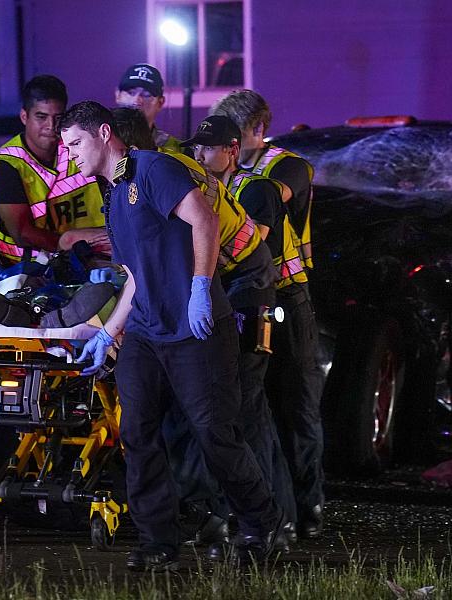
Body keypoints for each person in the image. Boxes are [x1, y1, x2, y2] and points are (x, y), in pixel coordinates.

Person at [60, 101, 283, 571]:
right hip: (146, 330)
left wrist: (201, 287)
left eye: (76, 143)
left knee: (214, 434)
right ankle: (158, 540)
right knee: (137, 433)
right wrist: (111, 331)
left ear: (104, 134)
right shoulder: (114, 194)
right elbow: (136, 276)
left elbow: (203, 220)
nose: (70, 156)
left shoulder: (151, 168)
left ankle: (262, 526)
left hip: (194, 327)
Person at [113, 107, 297, 546]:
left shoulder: (165, 172)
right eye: (196, 144)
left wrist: (197, 293)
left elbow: (205, 227)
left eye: (209, 145)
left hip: (247, 284)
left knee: (234, 418)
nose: (199, 151)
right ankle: (213, 518)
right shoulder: (136, 181)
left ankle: (273, 522)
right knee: (204, 421)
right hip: (220, 283)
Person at [211, 89, 326, 539]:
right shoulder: (224, 169)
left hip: (289, 299)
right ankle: (269, 509)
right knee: (252, 406)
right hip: (248, 298)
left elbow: (265, 204)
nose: (229, 144)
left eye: (235, 135)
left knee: (297, 404)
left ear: (257, 128)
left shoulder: (287, 166)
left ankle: (308, 503)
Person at [0, 75, 107, 265]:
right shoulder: (7, 164)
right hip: (22, 270)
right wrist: (69, 242)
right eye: (41, 117)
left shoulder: (78, 148)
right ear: (24, 116)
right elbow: (22, 233)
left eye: (58, 118)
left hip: (92, 259)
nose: (50, 126)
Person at [115, 63, 182, 152]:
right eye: (131, 93)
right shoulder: (98, 138)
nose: (137, 101)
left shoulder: (176, 149)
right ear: (118, 96)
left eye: (146, 95)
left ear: (160, 103)